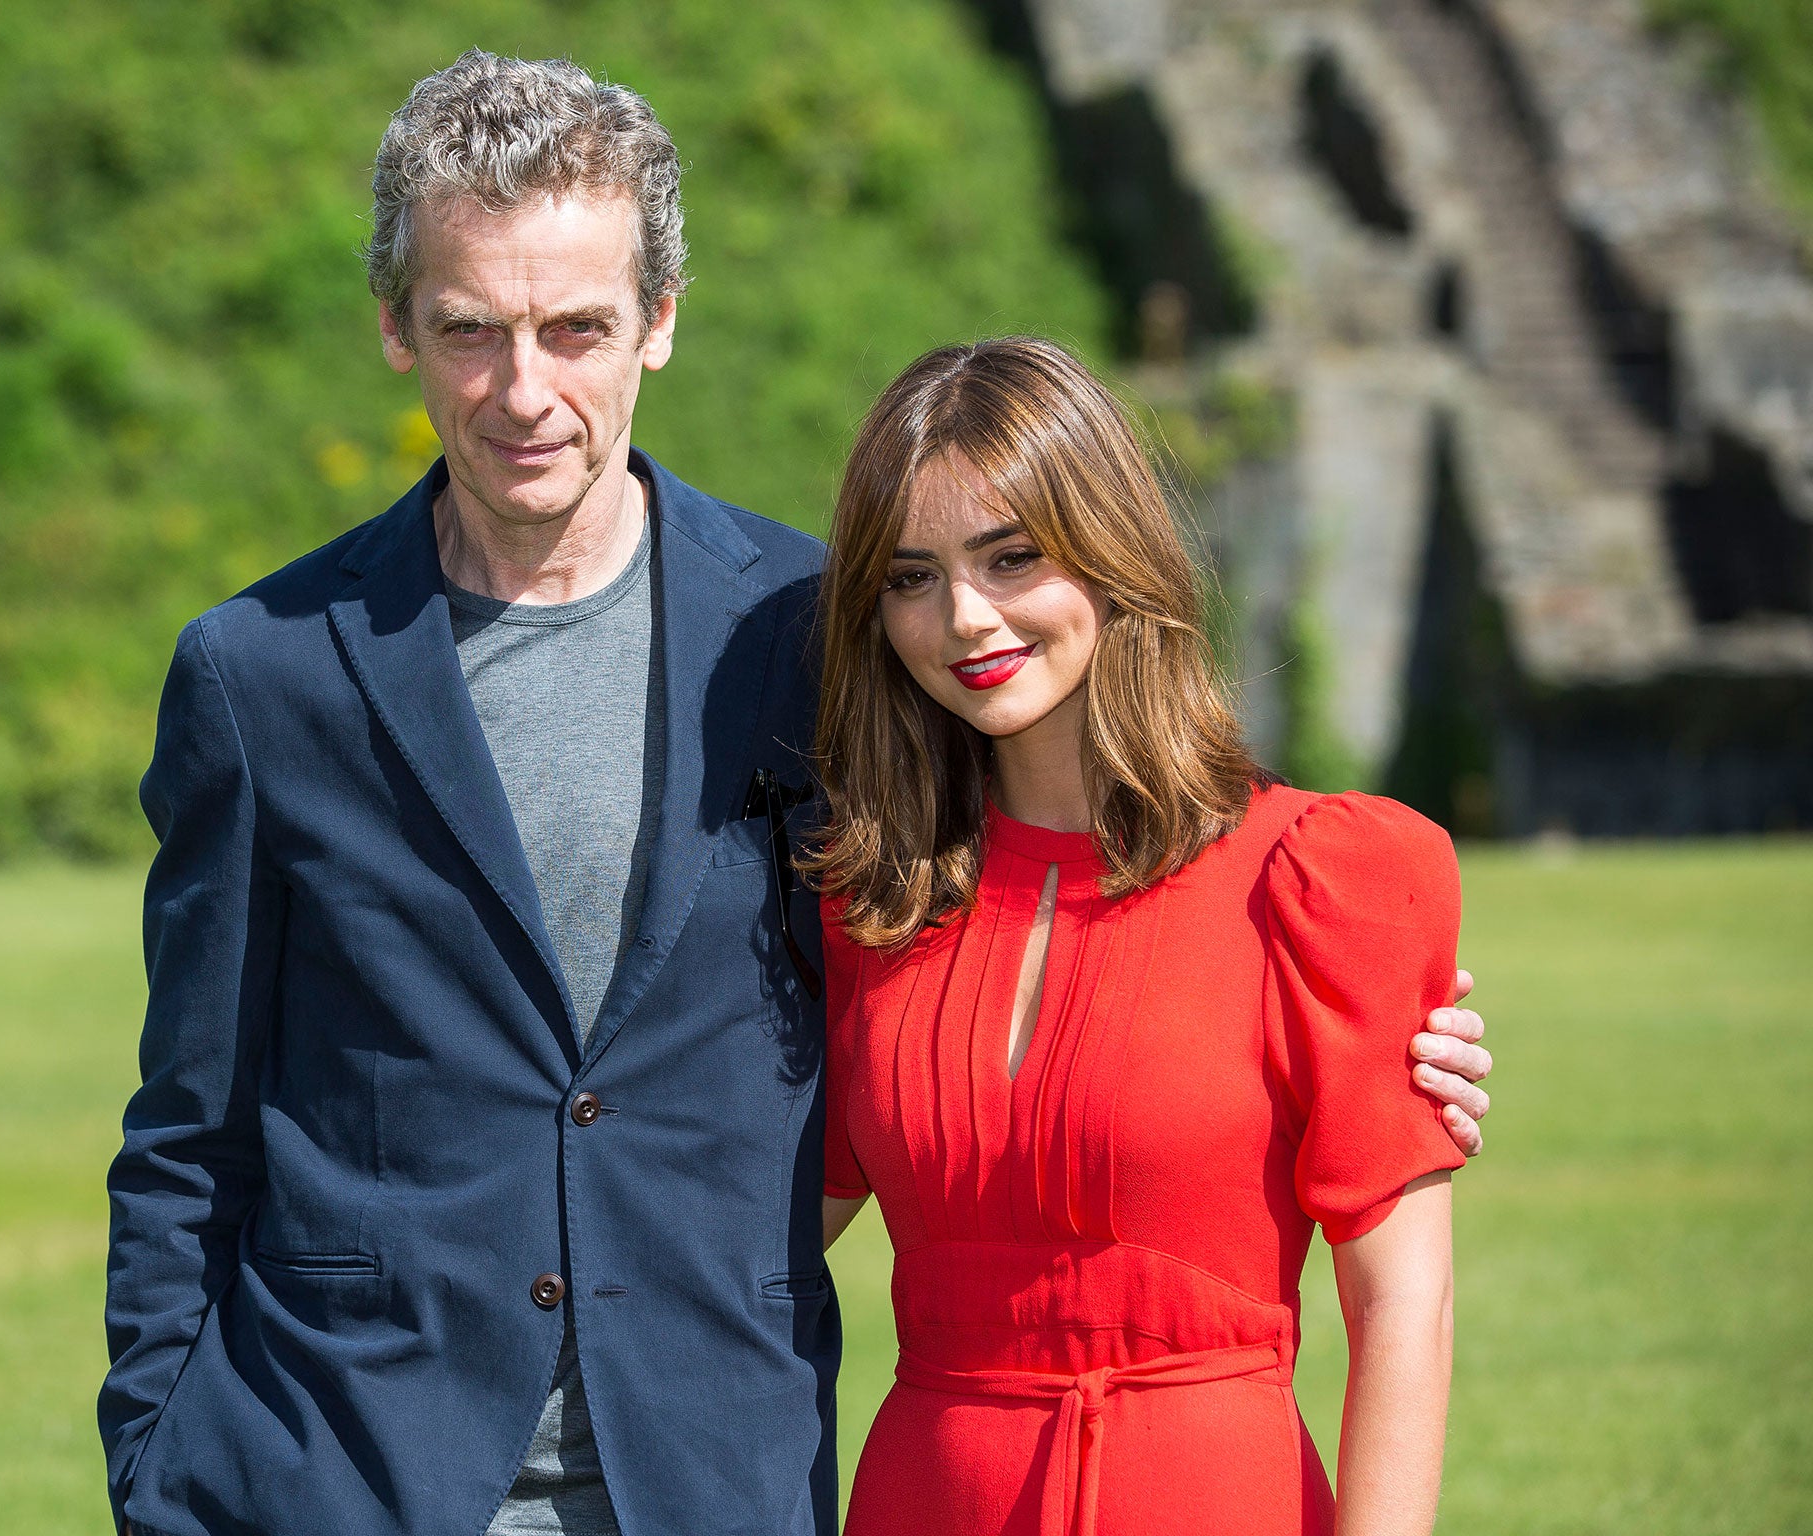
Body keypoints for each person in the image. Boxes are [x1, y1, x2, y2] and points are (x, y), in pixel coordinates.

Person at [99, 54, 1494, 1536]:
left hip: (712, 1472)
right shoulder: (265, 678)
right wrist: (160, 1467)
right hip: (346, 1475)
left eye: (577, 327)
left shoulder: (815, 633)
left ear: (663, 321)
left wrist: (1381, 1035)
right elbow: (191, 1135)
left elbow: (1093, 881)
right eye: (469, 331)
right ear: (396, 327)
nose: (526, 391)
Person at [811, 337, 1467, 1535]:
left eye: (1010, 558)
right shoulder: (866, 901)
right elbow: (746, 1229)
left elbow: (1401, 1306)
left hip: (1216, 1495)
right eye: (910, 577)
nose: (963, 618)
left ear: (1112, 553)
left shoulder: (1319, 875)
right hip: (921, 1497)